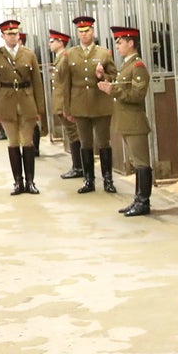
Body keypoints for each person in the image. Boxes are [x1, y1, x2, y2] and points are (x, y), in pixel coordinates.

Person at [0, 19, 45, 195]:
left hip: (26, 101)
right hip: (6, 102)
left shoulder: (29, 54)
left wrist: (39, 108)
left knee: (27, 141)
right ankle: (18, 182)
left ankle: (30, 182)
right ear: (3, 36)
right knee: (13, 142)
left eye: (15, 34)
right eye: (9, 34)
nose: (13, 37)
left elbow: (37, 83)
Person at [97, 26, 154, 216]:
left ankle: (143, 201)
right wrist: (106, 79)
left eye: (120, 42)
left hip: (135, 121)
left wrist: (112, 90)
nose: (117, 46)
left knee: (141, 162)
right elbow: (122, 86)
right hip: (126, 121)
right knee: (136, 162)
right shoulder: (127, 65)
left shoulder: (138, 66)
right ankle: (138, 199)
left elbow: (137, 94)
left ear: (131, 43)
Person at [60, 15, 117, 194]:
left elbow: (114, 76)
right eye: (81, 31)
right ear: (77, 33)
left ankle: (108, 179)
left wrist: (103, 76)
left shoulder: (103, 53)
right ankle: (88, 180)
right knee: (85, 143)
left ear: (93, 31)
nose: (84, 34)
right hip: (79, 105)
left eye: (87, 31)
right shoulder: (70, 54)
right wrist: (67, 108)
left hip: (100, 103)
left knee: (104, 142)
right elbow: (65, 82)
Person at [48, 29, 83, 180]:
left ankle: (78, 166)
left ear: (60, 42)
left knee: (73, 133)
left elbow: (65, 85)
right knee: (72, 133)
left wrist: (65, 106)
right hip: (61, 102)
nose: (50, 44)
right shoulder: (59, 58)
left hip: (64, 103)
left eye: (52, 41)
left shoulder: (65, 58)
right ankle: (77, 165)